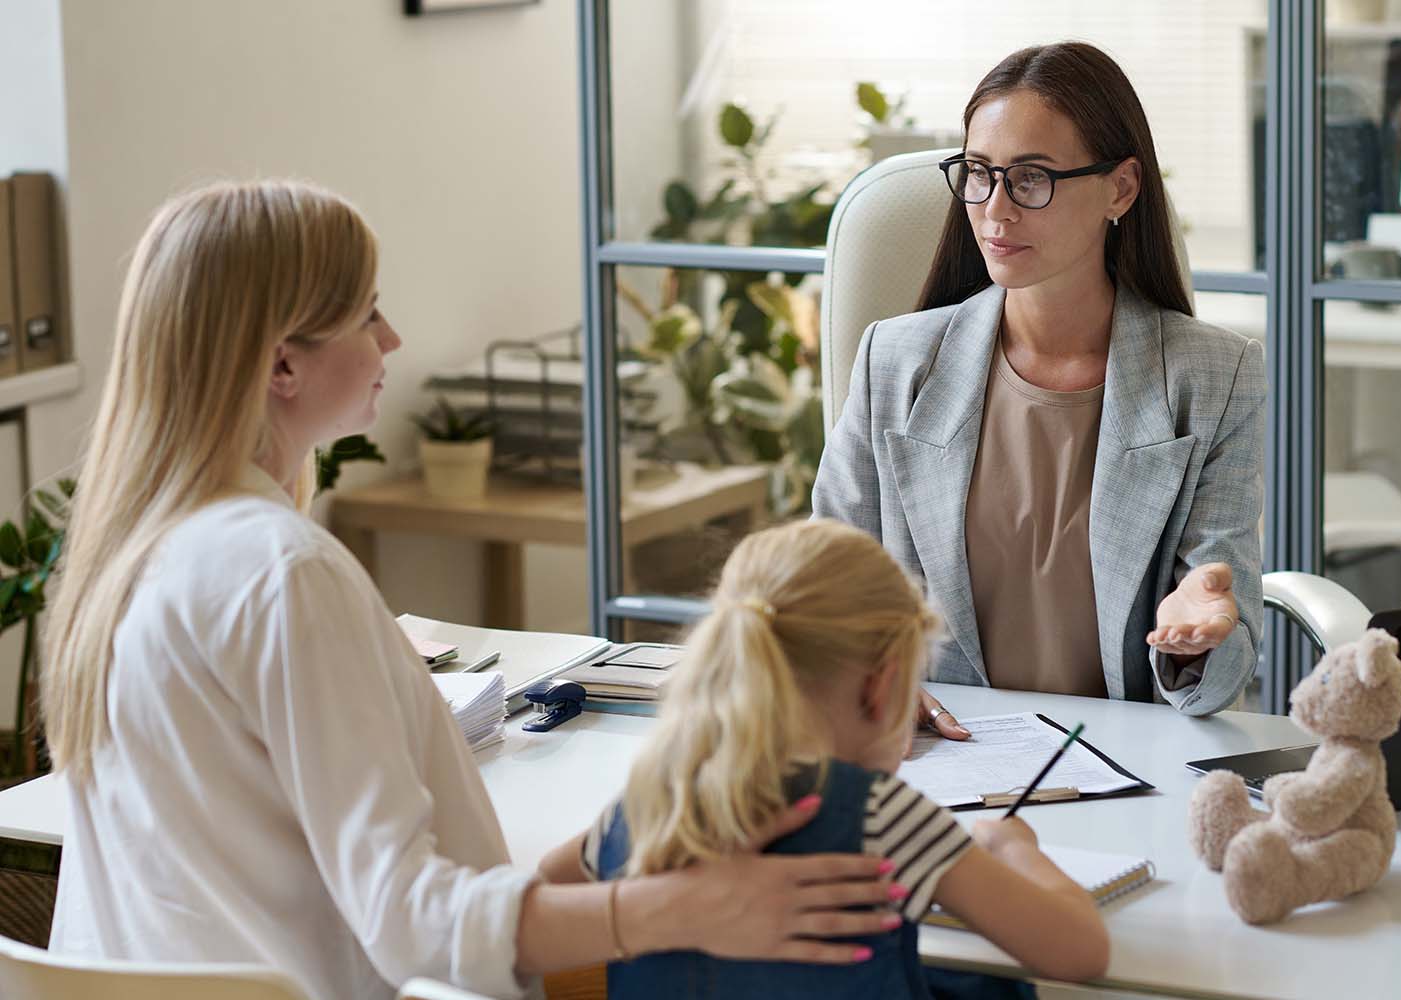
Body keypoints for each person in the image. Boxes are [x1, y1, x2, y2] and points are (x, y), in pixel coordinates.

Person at [41, 180, 899, 1000]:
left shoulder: (137, 553)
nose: (392, 340)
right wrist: (676, 907)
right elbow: (412, 930)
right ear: (281, 366)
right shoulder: (282, 573)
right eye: (366, 312)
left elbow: (315, 882)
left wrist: (607, 846)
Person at [812, 41, 1265, 731]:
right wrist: (867, 683)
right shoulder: (894, 363)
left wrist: (1196, 646)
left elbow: (1216, 675)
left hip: (1126, 769)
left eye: (1029, 178)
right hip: (938, 755)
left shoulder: (1214, 379)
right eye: (978, 173)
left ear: (1121, 187)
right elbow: (824, 590)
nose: (995, 209)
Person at [538, 518, 1111, 999]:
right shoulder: (880, 817)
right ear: (884, 687)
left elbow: (547, 884)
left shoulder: (653, 799)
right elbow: (1079, 951)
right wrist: (1016, 850)